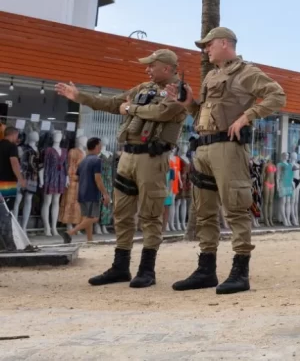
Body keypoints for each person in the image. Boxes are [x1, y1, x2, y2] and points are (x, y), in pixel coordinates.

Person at [56, 49, 186, 288]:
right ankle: (120, 267)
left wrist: (130, 109)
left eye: (151, 65)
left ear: (166, 68)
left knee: (150, 214)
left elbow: (162, 112)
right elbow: (112, 103)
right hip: (127, 156)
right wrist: (80, 97)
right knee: (122, 213)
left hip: (152, 157)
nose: (147, 69)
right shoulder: (141, 89)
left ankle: (147, 270)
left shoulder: (179, 91)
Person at [172, 27, 286, 295]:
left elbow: (277, 95)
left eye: (209, 45)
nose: (205, 49)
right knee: (204, 211)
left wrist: (248, 116)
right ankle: (206, 269)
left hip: (228, 149)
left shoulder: (246, 72)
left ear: (224, 43)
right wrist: (189, 103)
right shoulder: (211, 75)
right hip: (204, 148)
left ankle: (240, 271)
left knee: (235, 208)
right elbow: (203, 113)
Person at [59, 138, 109, 243]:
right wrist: (105, 193)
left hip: (82, 193)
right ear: (95, 147)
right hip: (91, 193)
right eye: (99, 146)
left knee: (88, 217)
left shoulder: (83, 162)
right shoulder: (97, 160)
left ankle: (89, 240)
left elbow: (77, 179)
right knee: (94, 218)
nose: (100, 148)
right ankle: (70, 232)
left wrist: (78, 194)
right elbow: (98, 179)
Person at [0, 125, 24, 211]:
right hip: (7, 182)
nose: (17, 138)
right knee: (6, 208)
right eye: (17, 135)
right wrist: (21, 179)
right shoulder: (12, 147)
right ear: (13, 134)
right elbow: (14, 163)